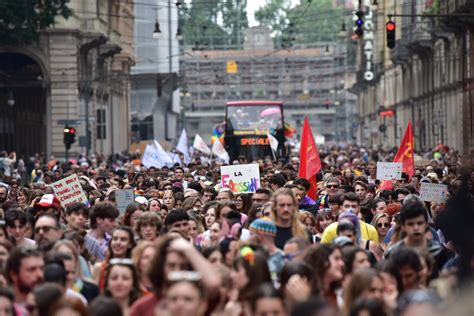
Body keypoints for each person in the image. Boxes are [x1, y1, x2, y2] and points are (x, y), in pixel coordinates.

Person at [129, 236, 220, 316]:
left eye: (183, 266)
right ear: (161, 267)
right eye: (172, 266)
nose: (177, 271)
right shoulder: (143, 307)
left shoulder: (197, 302)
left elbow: (213, 284)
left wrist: (189, 249)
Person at [93, 226, 136, 291]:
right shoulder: (99, 268)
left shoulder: (135, 268)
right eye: (115, 239)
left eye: (123, 239)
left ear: (130, 244)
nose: (118, 243)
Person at [249, 217, 285, 287]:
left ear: (260, 235)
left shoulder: (282, 259)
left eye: (251, 234)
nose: (249, 238)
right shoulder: (252, 256)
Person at [6, 246, 44, 311]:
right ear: (14, 275)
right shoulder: (5, 308)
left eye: (42, 268)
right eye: (32, 269)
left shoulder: (53, 304)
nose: (40, 274)